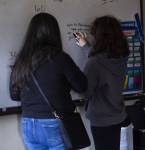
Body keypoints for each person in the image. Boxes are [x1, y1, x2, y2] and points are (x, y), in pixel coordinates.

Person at [9, 13, 87, 150]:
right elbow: (82, 86)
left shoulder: (21, 60)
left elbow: (14, 95)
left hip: (28, 123)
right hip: (55, 123)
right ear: (54, 33)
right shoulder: (60, 58)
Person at [75, 16, 130, 150]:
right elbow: (103, 63)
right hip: (119, 115)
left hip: (101, 120)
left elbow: (85, 91)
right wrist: (86, 47)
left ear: (99, 37)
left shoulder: (94, 64)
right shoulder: (122, 57)